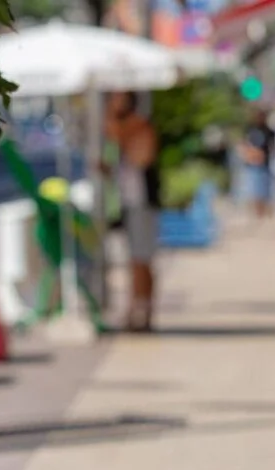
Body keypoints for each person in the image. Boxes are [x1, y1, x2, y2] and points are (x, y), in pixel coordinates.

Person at [104, 91, 160, 333]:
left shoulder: (139, 128)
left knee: (142, 260)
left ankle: (143, 309)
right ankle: (135, 308)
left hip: (141, 204)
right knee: (132, 261)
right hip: (126, 204)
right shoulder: (125, 131)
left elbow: (141, 158)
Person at [239, 108, 275, 219]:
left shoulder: (268, 131)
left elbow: (273, 147)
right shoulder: (250, 130)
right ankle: (257, 212)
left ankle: (263, 211)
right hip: (252, 165)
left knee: (265, 189)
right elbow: (243, 145)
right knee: (253, 189)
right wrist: (250, 155)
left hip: (265, 164)